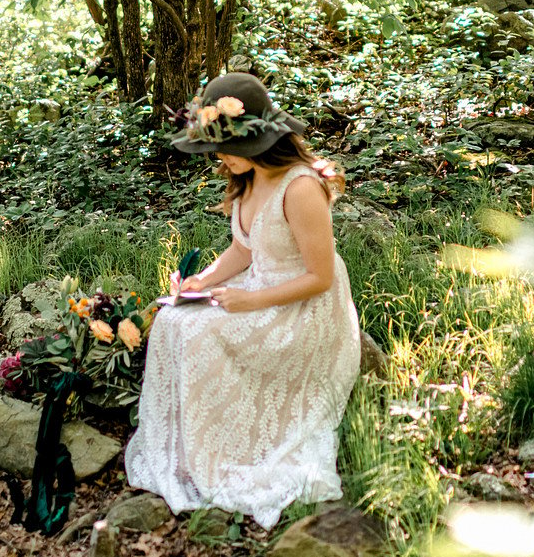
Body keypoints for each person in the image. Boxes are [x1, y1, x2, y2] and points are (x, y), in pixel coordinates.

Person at [124, 73, 361, 529]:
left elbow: (321, 276)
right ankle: (184, 452)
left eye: (225, 147)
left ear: (259, 142)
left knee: (200, 335)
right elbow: (243, 250)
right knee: (174, 319)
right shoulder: (248, 180)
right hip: (260, 289)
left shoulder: (300, 187)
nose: (220, 158)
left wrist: (251, 303)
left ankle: (222, 455)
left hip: (304, 309)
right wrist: (201, 281)